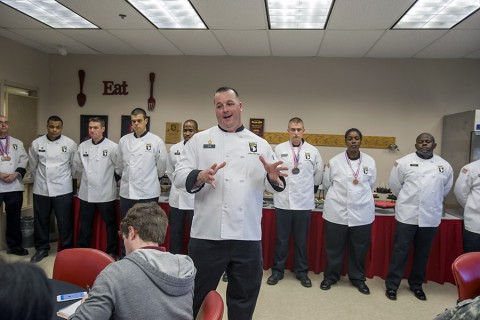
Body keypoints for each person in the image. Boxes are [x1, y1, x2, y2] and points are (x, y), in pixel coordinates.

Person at [173, 86, 287, 320]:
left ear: (240, 106)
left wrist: (274, 178)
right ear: (215, 110)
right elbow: (178, 176)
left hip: (247, 235)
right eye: (219, 105)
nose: (225, 109)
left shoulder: (260, 144)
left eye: (230, 103)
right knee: (195, 297)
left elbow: (277, 181)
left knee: (244, 300)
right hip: (207, 235)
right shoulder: (199, 140)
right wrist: (200, 176)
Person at [70, 202, 196, 320]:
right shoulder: (186, 266)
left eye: (123, 237)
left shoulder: (114, 274)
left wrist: (84, 305)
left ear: (131, 232)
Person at [385, 133, 453, 301]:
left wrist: (430, 201)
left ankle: (416, 285)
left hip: (430, 216)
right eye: (421, 142)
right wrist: (409, 200)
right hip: (407, 215)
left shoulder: (444, 166)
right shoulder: (403, 162)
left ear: (434, 145)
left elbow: (445, 189)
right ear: (416, 145)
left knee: (423, 253)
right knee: (400, 251)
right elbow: (395, 186)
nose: (424, 144)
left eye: (427, 141)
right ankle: (392, 286)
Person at [267, 117, 323, 288]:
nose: (296, 132)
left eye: (299, 129)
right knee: (282, 240)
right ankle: (277, 271)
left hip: (304, 203)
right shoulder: (279, 149)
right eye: (293, 129)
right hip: (283, 202)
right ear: (288, 131)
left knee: (301, 240)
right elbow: (273, 171)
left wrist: (307, 192)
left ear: (304, 131)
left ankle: (301, 272)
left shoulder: (313, 151)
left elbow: (318, 175)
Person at [320, 128, 376, 295]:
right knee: (333, 248)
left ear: (361, 141)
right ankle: (330, 276)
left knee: (359, 249)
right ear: (345, 141)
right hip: (337, 211)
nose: (353, 141)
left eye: (356, 138)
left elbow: (370, 184)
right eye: (350, 138)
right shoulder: (334, 161)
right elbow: (327, 183)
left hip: (362, 212)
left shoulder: (370, 161)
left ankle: (358, 278)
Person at [115, 107, 167, 256]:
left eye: (139, 121)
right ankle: (125, 255)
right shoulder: (124, 141)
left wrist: (150, 178)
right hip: (127, 191)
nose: (136, 124)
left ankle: (148, 256)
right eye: (133, 121)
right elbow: (119, 166)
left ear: (146, 121)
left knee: (148, 227)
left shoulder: (156, 141)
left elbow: (161, 167)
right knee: (126, 227)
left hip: (148, 192)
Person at [28, 115, 77, 263]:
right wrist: (42, 179)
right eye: (51, 126)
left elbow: (74, 167)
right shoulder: (37, 143)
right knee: (41, 220)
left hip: (63, 188)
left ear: (61, 127)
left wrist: (64, 179)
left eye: (57, 127)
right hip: (42, 188)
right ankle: (42, 248)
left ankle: (67, 249)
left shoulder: (70, 144)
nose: (54, 129)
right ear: (47, 126)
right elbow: (33, 166)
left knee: (64, 221)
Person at [73, 117, 119, 260]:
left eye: (96, 127)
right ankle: (82, 250)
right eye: (90, 127)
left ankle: (111, 251)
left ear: (103, 129)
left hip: (106, 193)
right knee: (85, 224)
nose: (92, 130)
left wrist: (109, 180)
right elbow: (77, 165)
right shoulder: (83, 146)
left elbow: (119, 169)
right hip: (87, 193)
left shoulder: (113, 147)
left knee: (110, 225)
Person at [166, 119, 198, 254]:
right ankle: (174, 260)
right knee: (175, 233)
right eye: (185, 130)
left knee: (194, 234)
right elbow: (169, 171)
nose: (187, 133)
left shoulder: (201, 149)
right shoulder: (174, 149)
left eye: (190, 130)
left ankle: (193, 260)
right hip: (176, 198)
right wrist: (180, 183)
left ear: (196, 132)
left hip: (194, 198)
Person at [0, 115, 29, 256]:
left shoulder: (17, 142)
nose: (3, 125)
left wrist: (16, 174)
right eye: (0, 123)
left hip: (14, 185)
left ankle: (14, 246)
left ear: (9, 125)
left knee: (14, 218)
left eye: (5, 122)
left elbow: (24, 160)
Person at [454, 159, 480, 253]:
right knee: (472, 262)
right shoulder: (470, 168)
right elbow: (460, 192)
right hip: (476, 224)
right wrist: (471, 207)